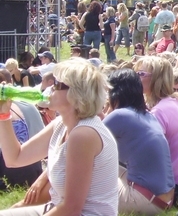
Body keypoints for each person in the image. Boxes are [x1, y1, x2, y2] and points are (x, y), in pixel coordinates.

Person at [0, 58, 118, 215]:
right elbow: (14, 158)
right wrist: (4, 114)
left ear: (76, 93)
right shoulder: (61, 124)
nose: (49, 88)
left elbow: (71, 208)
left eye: (56, 84)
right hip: (57, 208)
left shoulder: (84, 135)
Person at [104, 68, 175, 214]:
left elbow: (89, 142)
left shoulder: (120, 115)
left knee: (88, 176)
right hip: (165, 199)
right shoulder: (148, 115)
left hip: (144, 201)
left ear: (115, 92)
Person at [134, 56, 178, 187]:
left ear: (155, 79)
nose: (136, 78)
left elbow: (147, 156)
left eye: (141, 74)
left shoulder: (158, 112)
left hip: (176, 185)